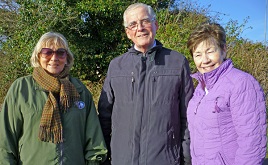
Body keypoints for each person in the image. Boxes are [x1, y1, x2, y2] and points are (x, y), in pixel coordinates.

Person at [98, 3, 194, 165]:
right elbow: (105, 117)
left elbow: (188, 117)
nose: (140, 28)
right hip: (123, 160)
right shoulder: (116, 66)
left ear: (155, 25)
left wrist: (187, 159)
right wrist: (104, 158)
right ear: (128, 33)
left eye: (145, 21)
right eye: (133, 24)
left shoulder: (177, 62)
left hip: (165, 159)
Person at [0, 32, 107, 165]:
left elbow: (94, 140)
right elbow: (5, 140)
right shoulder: (21, 88)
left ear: (67, 58)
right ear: (38, 56)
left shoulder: (80, 90)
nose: (54, 57)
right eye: (47, 52)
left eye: (60, 52)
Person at [186, 22, 267, 165]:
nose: (204, 60)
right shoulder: (200, 89)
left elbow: (252, 140)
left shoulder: (241, 83)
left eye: (210, 51)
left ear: (223, 50)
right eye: (198, 54)